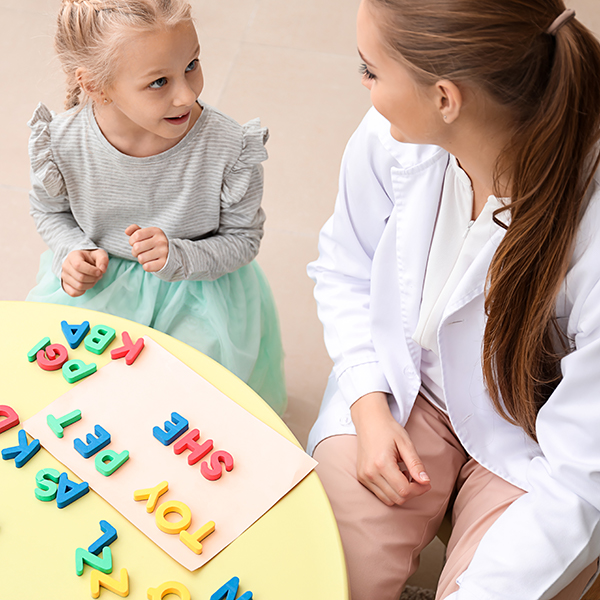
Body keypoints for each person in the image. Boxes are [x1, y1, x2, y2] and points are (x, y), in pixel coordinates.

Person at [307, 0, 600, 598]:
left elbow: (581, 478)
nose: (366, 90)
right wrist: (366, 401)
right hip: (402, 385)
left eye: (370, 71)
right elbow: (345, 266)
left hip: (539, 447)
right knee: (320, 575)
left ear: (445, 97)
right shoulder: (394, 138)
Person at [26, 0, 286, 415]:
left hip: (199, 293)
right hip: (103, 286)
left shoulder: (229, 148)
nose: (187, 93)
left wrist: (180, 255)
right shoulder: (61, 143)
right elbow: (50, 212)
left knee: (185, 408)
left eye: (192, 65)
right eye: (158, 82)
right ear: (95, 86)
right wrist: (71, 251)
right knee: (83, 400)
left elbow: (244, 239)